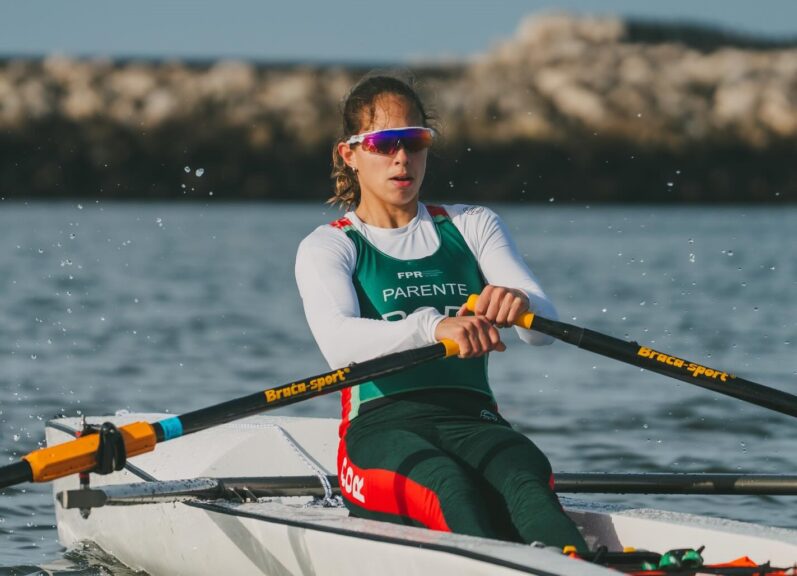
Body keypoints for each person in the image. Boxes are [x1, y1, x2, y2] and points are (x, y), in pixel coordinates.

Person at [295, 73, 587, 551]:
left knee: (525, 475)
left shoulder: (472, 225)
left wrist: (521, 303)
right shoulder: (331, 245)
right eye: (383, 143)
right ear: (349, 154)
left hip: (475, 420)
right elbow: (338, 345)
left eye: (415, 141)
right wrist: (434, 326)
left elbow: (542, 331)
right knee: (449, 485)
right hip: (379, 432)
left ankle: (581, 563)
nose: (401, 158)